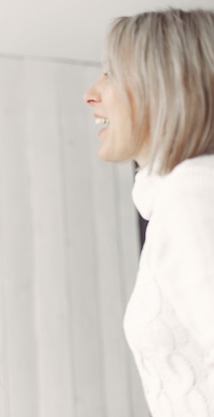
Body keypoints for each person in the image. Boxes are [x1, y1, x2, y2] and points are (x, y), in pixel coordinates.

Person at [84, 8, 214, 417]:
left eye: (110, 74)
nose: (91, 93)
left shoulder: (192, 191)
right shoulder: (175, 198)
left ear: (165, 86)